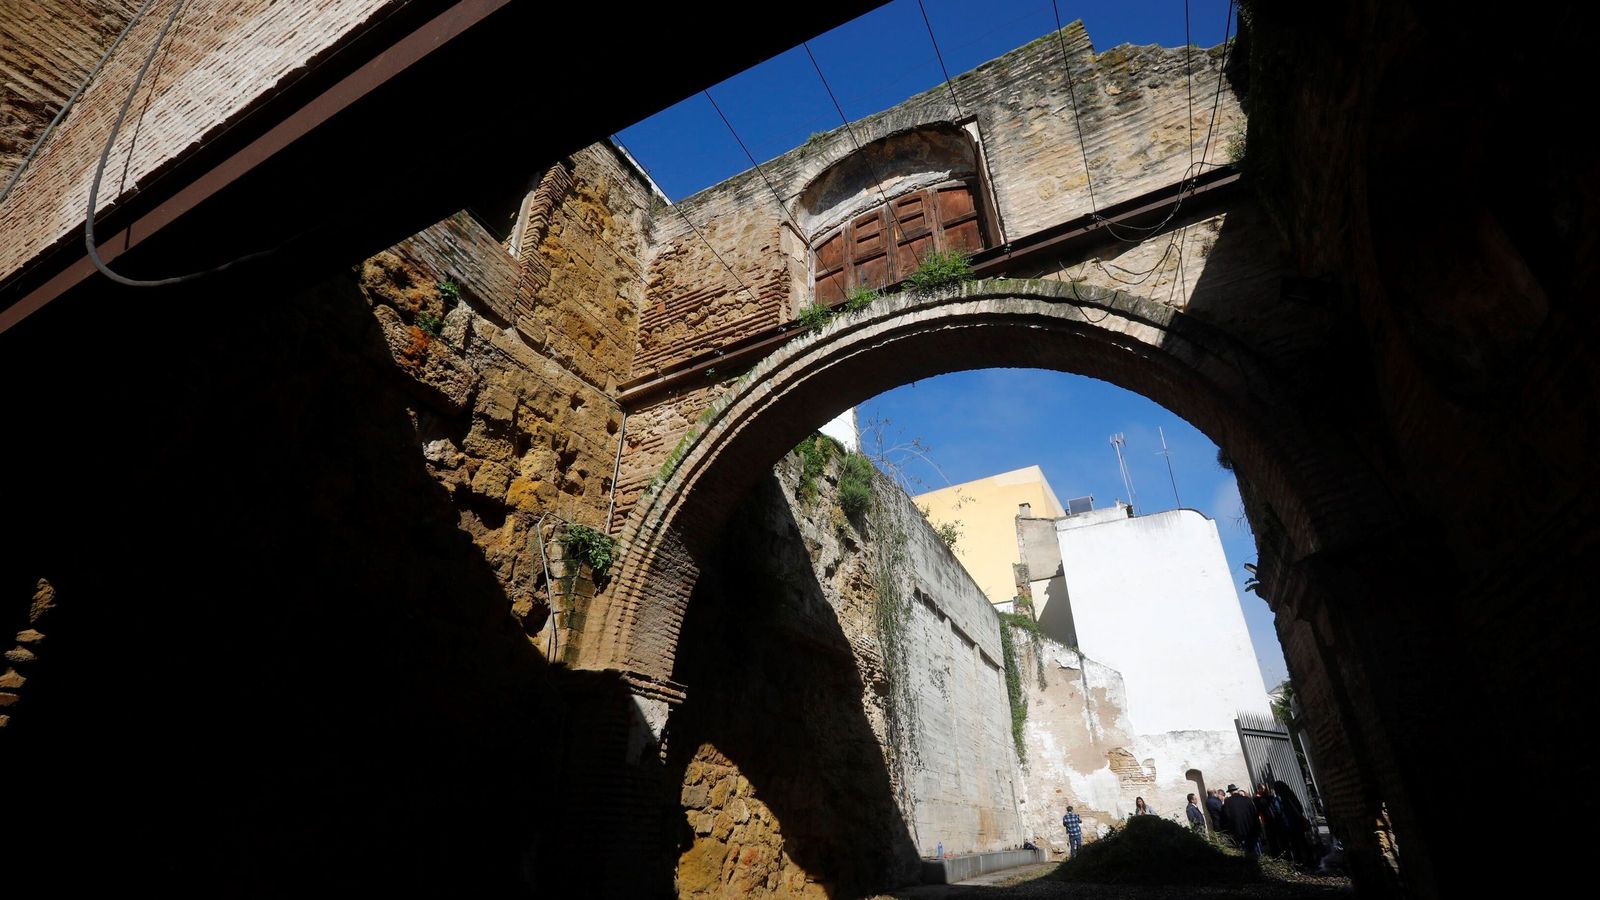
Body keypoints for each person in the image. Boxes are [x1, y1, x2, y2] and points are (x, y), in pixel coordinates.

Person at [1222, 784, 1263, 857]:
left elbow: (1228, 818)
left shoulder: (1228, 802)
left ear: (1230, 792)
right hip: (1252, 829)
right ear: (1236, 790)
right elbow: (1255, 813)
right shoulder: (1247, 799)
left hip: (1239, 831)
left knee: (1246, 853)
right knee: (1257, 850)